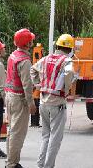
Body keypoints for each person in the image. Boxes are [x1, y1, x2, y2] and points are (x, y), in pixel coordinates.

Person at [30, 34, 77, 168]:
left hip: (43, 102)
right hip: (57, 104)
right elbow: (68, 75)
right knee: (55, 139)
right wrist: (67, 88)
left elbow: (32, 70)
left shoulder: (45, 59)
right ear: (70, 49)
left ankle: (40, 164)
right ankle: (48, 166)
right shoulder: (67, 61)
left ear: (57, 46)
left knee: (46, 136)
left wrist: (38, 84)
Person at [3, 28, 37, 168]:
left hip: (10, 96)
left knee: (12, 131)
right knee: (18, 132)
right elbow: (27, 85)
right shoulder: (25, 61)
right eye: (31, 40)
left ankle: (10, 160)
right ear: (27, 43)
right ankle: (12, 163)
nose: (32, 42)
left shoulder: (12, 56)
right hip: (19, 99)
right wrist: (31, 103)